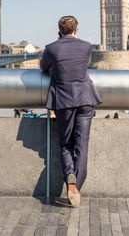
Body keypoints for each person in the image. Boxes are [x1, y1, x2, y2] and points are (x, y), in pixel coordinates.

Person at [40, 15, 102, 207]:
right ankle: (76, 186)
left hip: (64, 102)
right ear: (76, 30)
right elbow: (84, 66)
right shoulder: (86, 46)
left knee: (66, 144)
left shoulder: (51, 48)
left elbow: (44, 67)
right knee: (82, 145)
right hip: (85, 100)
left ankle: (70, 179)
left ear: (59, 31)